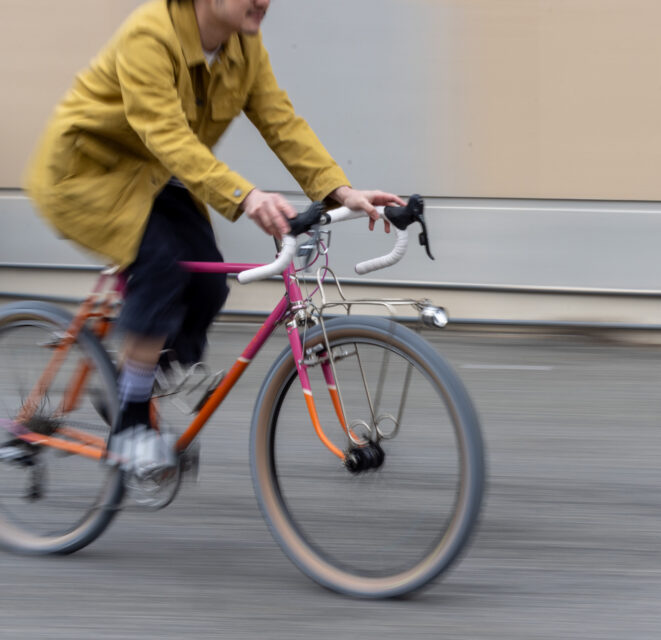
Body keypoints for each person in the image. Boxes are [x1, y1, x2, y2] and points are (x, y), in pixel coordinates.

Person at [22, 0, 404, 476]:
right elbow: (166, 137)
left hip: (156, 179)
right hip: (87, 177)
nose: (264, 1)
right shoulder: (150, 35)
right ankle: (131, 424)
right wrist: (245, 197)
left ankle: (133, 377)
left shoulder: (243, 44)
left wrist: (340, 192)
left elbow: (279, 120)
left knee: (208, 285)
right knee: (160, 267)